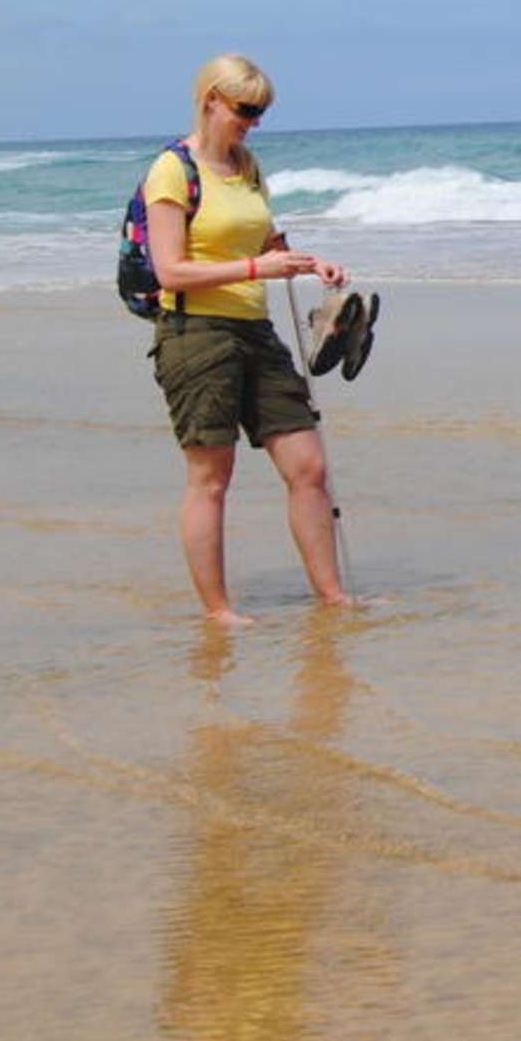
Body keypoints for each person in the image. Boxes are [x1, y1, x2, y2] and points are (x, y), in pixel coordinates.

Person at [144, 53, 354, 624]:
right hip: (195, 333)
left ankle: (333, 596)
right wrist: (258, 270)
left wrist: (309, 263)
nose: (254, 122)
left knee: (308, 466)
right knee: (212, 478)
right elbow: (170, 271)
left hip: (254, 329)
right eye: (245, 109)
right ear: (211, 100)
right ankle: (219, 612)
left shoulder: (248, 166)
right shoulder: (172, 170)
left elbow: (261, 240)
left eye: (261, 112)